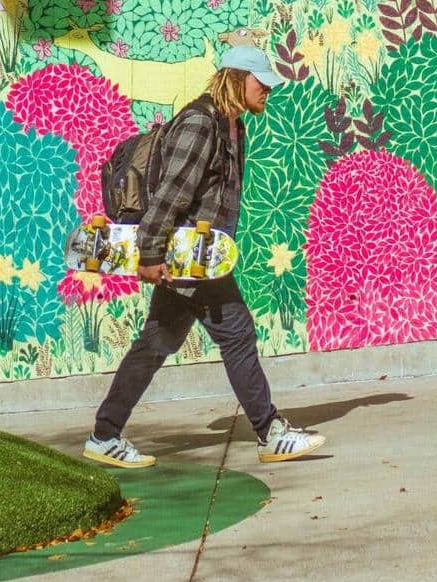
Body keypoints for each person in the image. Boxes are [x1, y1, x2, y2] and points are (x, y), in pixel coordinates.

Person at [83, 44, 326, 468]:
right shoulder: (201, 123)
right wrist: (150, 254)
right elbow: (168, 198)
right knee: (236, 333)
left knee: (156, 343)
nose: (267, 88)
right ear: (236, 78)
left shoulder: (232, 126)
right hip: (185, 259)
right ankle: (269, 431)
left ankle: (105, 433)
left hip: (200, 257)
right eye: (260, 80)